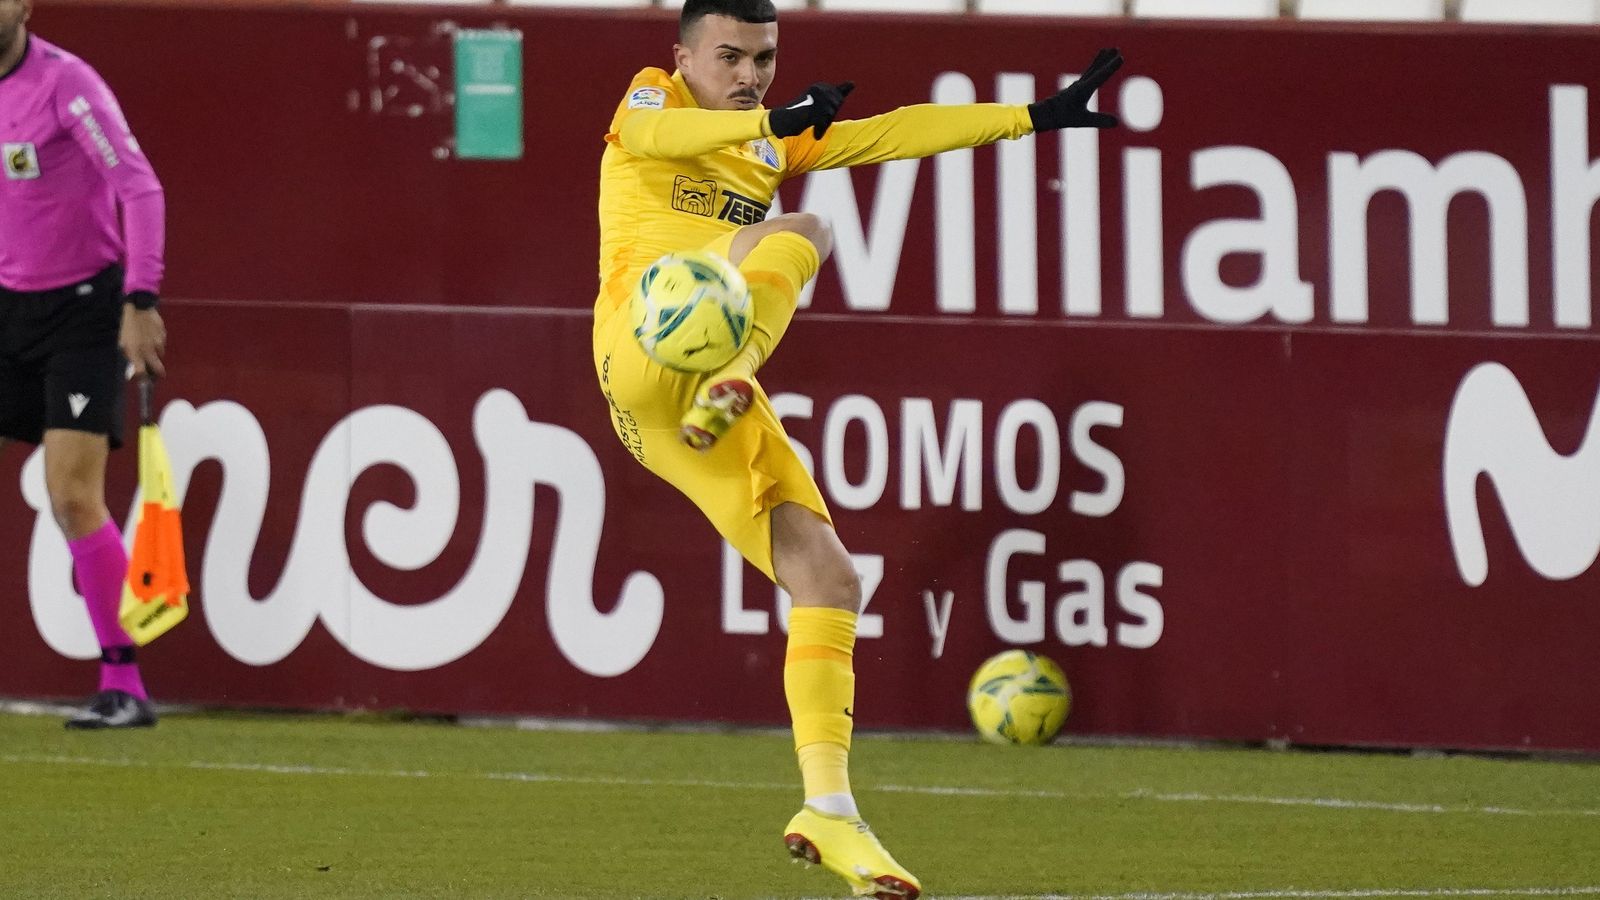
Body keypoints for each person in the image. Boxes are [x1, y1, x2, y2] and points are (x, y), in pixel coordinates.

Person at [592, 1, 1121, 894]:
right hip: (636, 346)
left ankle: (830, 810)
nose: (750, 75)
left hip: (677, 417)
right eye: (729, 56)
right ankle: (735, 370)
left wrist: (1030, 116)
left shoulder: (772, 143)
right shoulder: (652, 99)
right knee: (803, 232)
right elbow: (656, 138)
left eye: (764, 58)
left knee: (830, 580)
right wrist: (774, 122)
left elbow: (891, 134)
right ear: (681, 55)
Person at [0, 0, 169, 729]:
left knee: (71, 494)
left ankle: (123, 684)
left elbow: (140, 186)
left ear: (25, 6)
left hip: (81, 312)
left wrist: (141, 298)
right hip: (5, 303)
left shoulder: (66, 85)